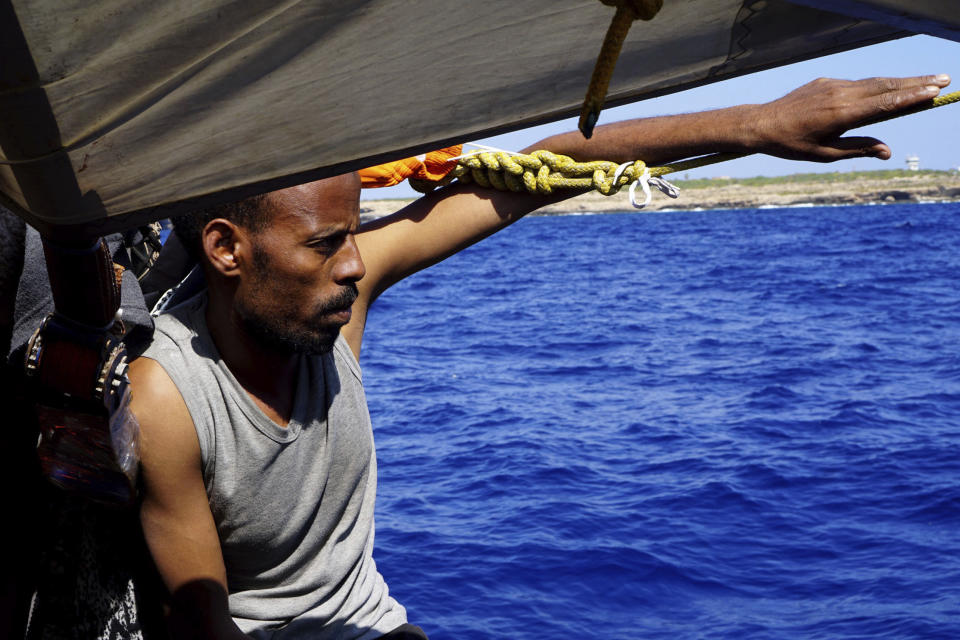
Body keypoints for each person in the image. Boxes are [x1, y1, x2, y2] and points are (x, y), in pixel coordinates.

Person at [128, 74, 950, 639]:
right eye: (326, 243)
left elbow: (535, 173)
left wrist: (755, 125)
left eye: (356, 234)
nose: (356, 262)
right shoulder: (169, 396)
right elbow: (203, 626)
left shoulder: (337, 304)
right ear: (228, 251)